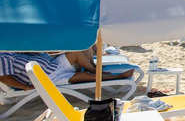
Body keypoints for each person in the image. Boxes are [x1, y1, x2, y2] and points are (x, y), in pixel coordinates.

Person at [0, 51, 133, 89]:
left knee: (79, 50)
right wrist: (25, 87)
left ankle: (94, 69)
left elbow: (32, 53)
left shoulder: (8, 46)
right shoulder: (2, 57)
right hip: (48, 78)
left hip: (52, 64)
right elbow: (3, 78)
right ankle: (117, 77)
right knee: (84, 76)